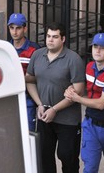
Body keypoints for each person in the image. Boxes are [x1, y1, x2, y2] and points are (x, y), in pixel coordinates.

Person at [64, 33, 104, 173]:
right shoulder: (89, 67)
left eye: (102, 48)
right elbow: (84, 90)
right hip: (91, 125)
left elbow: (101, 104)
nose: (97, 51)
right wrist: (72, 90)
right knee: (90, 168)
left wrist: (77, 98)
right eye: (95, 47)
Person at [26, 22, 85, 173]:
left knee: (67, 156)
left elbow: (78, 91)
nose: (50, 40)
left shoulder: (73, 59)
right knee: (45, 158)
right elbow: (30, 80)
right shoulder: (37, 55)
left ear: (63, 39)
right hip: (44, 117)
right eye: (48, 36)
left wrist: (54, 109)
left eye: (55, 37)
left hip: (68, 120)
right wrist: (39, 104)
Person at [7, 13, 41, 132]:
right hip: (9, 99)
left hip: (28, 99)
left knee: (29, 135)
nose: (14, 32)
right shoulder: (5, 48)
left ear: (25, 29)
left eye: (18, 28)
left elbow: (39, 76)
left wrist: (20, 78)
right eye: (12, 28)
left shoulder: (35, 49)